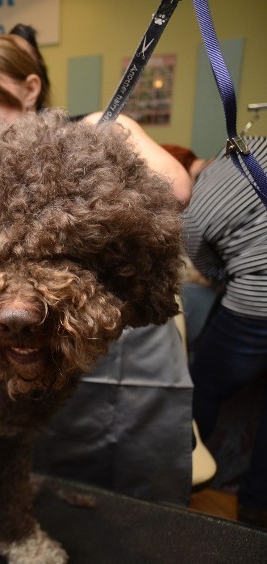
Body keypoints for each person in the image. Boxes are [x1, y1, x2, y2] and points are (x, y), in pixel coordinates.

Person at [0, 25, 194, 504]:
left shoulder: (97, 129)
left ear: (30, 89)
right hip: (30, 353)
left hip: (123, 351)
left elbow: (175, 187)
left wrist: (101, 164)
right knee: (49, 479)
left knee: (134, 485)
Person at [183, 137, 267, 527]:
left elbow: (212, 271)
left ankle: (181, 478)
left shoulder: (192, 213)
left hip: (255, 305)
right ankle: (256, 505)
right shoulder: (254, 145)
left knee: (203, 387)